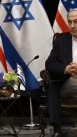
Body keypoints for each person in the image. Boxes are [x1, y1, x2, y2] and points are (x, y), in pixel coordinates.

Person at [46, 8, 77, 137]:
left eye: (76, 22)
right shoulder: (61, 40)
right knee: (52, 86)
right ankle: (57, 129)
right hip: (69, 82)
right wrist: (66, 68)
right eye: (69, 22)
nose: (72, 26)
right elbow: (50, 64)